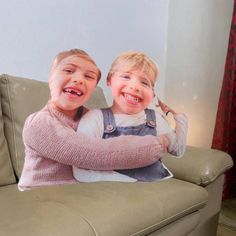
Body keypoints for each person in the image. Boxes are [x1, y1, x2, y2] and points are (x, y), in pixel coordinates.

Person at [18, 49, 169, 191]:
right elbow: (92, 154)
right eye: (69, 70)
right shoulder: (39, 123)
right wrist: (159, 144)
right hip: (41, 196)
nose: (78, 80)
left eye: (89, 76)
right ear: (51, 78)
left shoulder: (91, 118)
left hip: (82, 192)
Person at [73, 51, 188, 182]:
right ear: (109, 80)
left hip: (157, 188)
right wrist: (128, 181)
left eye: (145, 83)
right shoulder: (94, 118)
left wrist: (180, 118)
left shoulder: (155, 119)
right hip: (115, 192)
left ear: (153, 92)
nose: (135, 87)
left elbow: (177, 150)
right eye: (126, 77)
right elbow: (80, 169)